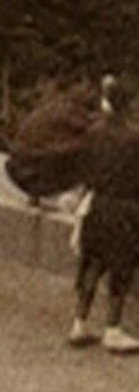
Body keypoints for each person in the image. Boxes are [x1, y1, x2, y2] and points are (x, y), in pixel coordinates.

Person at [72, 76, 139, 351]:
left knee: (92, 263)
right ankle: (112, 328)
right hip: (125, 208)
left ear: (107, 102)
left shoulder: (93, 132)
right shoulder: (135, 138)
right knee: (121, 267)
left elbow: (85, 170)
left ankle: (79, 323)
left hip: (97, 204)